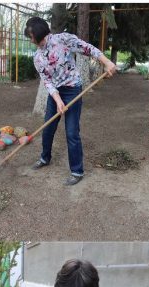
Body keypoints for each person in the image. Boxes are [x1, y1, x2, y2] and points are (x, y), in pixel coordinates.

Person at [24, 17, 117, 186]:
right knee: (48, 127)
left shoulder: (63, 39)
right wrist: (58, 100)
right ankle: (45, 158)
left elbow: (87, 49)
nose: (30, 40)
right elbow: (47, 81)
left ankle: (77, 171)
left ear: (38, 33)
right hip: (56, 93)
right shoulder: (37, 57)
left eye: (31, 36)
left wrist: (107, 62)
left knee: (72, 132)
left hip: (73, 89)